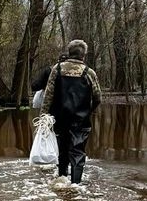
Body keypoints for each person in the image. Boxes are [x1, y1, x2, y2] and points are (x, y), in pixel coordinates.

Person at [40, 39, 102, 184]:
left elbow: (48, 95)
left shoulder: (57, 69)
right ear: (83, 55)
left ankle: (62, 178)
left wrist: (43, 117)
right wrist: (89, 111)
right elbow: (98, 98)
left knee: (62, 151)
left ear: (69, 53)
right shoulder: (89, 73)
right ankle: (76, 185)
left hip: (60, 118)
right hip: (81, 120)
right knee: (78, 152)